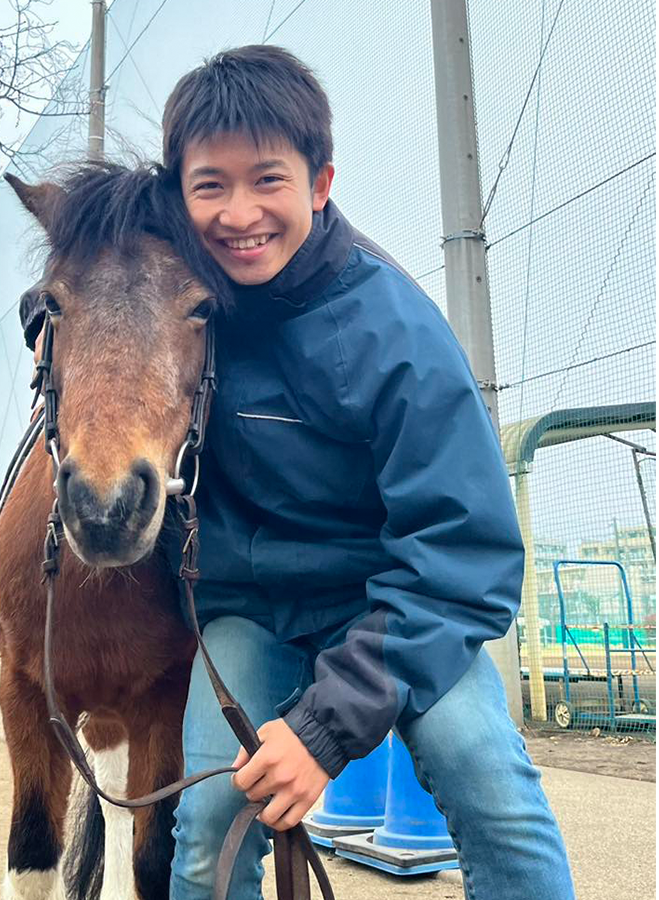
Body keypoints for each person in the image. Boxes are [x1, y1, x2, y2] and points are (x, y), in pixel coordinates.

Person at [157, 45, 576, 900]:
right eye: (210, 186)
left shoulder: (397, 329)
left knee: (490, 785)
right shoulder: (177, 303)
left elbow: (466, 555)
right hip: (253, 607)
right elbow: (84, 293)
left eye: (267, 179)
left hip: (397, 601)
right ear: (178, 195)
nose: (240, 213)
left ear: (319, 184)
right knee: (206, 822)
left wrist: (320, 732)